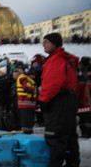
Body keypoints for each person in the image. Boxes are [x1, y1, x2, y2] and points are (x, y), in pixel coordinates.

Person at [38, 33, 80, 166]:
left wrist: (43, 101)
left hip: (58, 102)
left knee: (55, 137)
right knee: (70, 137)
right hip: (69, 100)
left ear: (54, 43)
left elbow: (52, 83)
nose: (43, 44)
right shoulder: (67, 59)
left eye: (46, 42)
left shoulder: (56, 59)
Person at [14, 67, 36, 134]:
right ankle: (26, 130)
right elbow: (28, 88)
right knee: (25, 117)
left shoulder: (28, 79)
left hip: (29, 102)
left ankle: (29, 129)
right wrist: (34, 90)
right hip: (25, 101)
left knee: (29, 117)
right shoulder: (24, 78)